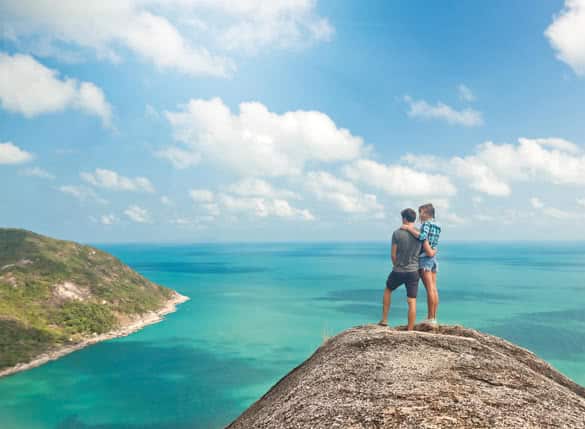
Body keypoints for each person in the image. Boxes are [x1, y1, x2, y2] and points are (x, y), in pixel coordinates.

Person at [379, 208, 422, 330]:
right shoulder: (419, 234)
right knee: (412, 301)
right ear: (413, 219)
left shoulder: (397, 233)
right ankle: (410, 329)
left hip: (398, 271)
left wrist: (396, 265)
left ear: (404, 219)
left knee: (388, 290)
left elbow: (393, 254)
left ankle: (385, 319)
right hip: (413, 271)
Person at [401, 203, 441, 325]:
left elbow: (422, 237)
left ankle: (431, 319)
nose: (420, 215)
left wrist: (409, 229)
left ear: (426, 213)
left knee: (429, 289)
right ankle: (433, 317)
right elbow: (433, 242)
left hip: (425, 259)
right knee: (434, 289)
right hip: (433, 259)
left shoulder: (426, 224)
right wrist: (432, 251)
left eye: (421, 212)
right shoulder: (437, 226)